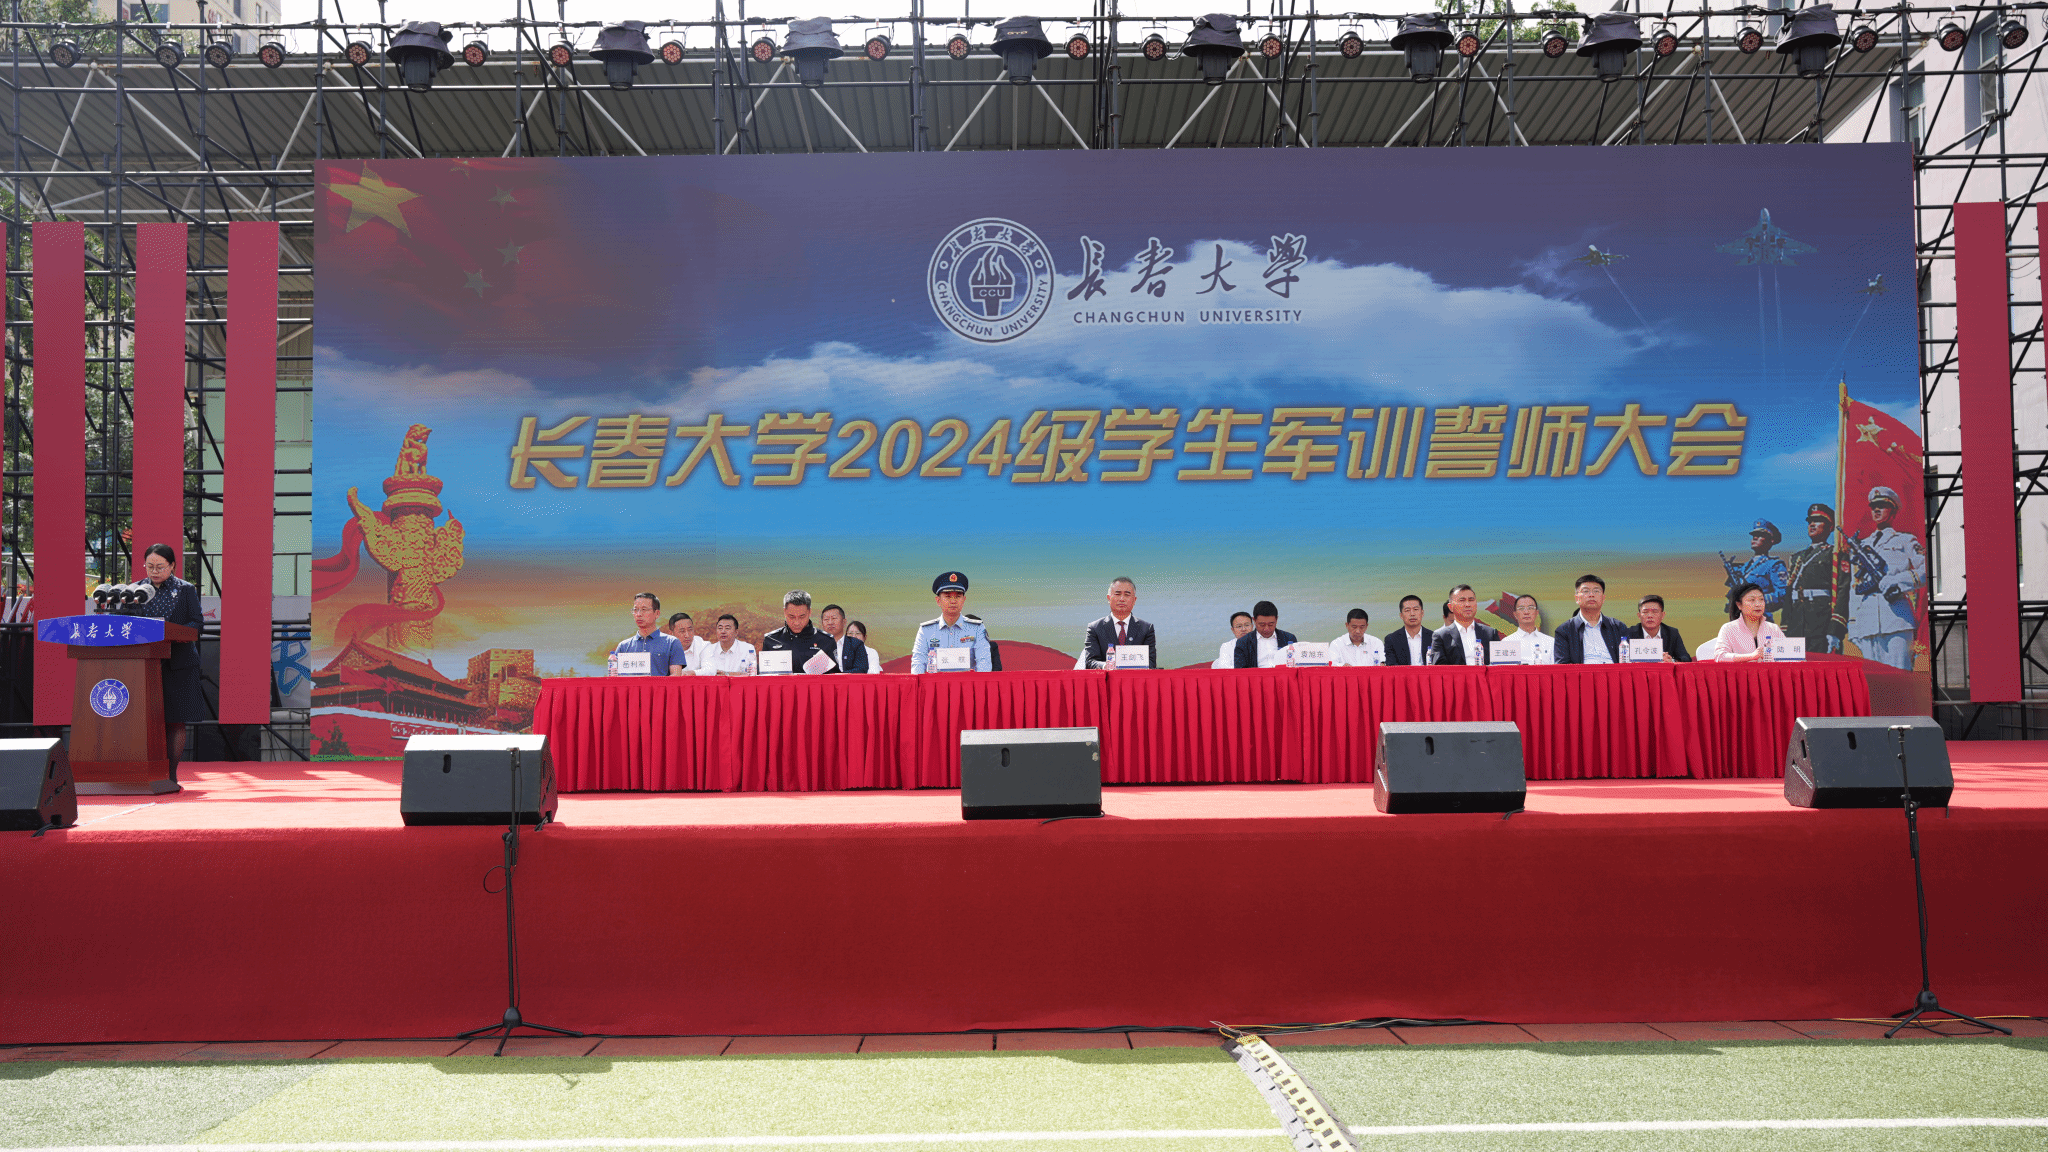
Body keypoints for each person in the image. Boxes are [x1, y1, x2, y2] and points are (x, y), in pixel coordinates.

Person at [132, 543, 204, 773]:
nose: (154, 571)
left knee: (175, 720)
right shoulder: (135, 590)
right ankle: (146, 772)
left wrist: (172, 633)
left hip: (178, 663)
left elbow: (197, 623)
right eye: (149, 566)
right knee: (144, 720)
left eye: (160, 566)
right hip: (143, 663)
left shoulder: (185, 590)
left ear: (172, 565)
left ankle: (170, 773)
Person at [1845, 486, 1927, 670]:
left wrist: (1897, 581)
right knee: (1874, 679)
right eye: (1873, 506)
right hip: (1867, 620)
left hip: (1896, 619)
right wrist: (1853, 624)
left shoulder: (1905, 540)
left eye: (1882, 506)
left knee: (1899, 675)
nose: (1876, 510)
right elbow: (1855, 587)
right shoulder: (1862, 546)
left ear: (1893, 511)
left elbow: (1925, 571)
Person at [1782, 504, 1845, 654]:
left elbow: (1842, 590)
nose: (1812, 524)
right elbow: (1789, 594)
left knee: (1819, 666)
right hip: (1795, 624)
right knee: (1790, 665)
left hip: (1820, 623)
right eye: (1810, 521)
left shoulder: (1835, 554)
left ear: (1830, 527)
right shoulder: (1797, 557)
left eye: (1817, 521)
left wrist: (1836, 629)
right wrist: (1784, 626)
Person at [912, 571, 992, 673]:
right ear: (938, 601)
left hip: (967, 683)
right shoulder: (926, 631)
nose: (953, 601)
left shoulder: (977, 629)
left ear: (964, 600)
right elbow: (918, 664)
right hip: (935, 683)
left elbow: (984, 663)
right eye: (948, 596)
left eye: (958, 596)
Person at [1083, 577, 1159, 669]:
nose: (1122, 599)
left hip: (1135, 678)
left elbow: (1151, 663)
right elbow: (1090, 662)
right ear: (1109, 598)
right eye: (1117, 594)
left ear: (1134, 600)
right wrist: (1106, 666)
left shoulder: (1146, 629)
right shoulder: (1095, 628)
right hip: (1107, 677)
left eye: (1127, 595)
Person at [1553, 574, 1629, 665]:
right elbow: (1562, 666)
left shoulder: (1618, 627)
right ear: (1577, 598)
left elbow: (1629, 660)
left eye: (1596, 591)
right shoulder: (1564, 630)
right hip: (1582, 673)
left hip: (1614, 672)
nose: (1591, 595)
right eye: (1586, 591)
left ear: (1603, 598)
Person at [760, 590, 842, 674]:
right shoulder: (771, 640)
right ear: (784, 612)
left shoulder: (826, 641)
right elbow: (763, 677)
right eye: (791, 617)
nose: (797, 622)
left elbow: (835, 679)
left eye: (802, 616)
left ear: (809, 612)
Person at [1724, 519, 1788, 620]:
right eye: (1754, 535)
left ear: (1770, 540)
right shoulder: (1743, 568)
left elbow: (1782, 595)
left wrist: (1754, 601)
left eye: (1760, 535)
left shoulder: (1774, 565)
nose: (1755, 538)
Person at [613, 592, 689, 676]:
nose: (638, 614)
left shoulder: (672, 643)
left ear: (657, 614)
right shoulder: (623, 646)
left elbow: (676, 676)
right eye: (635, 610)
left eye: (644, 609)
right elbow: (615, 678)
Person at [1429, 585, 1502, 666]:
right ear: (1451, 607)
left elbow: (1499, 666)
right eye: (1462, 600)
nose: (1467, 604)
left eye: (1471, 600)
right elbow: (1439, 669)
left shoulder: (1490, 633)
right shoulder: (1441, 636)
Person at [1715, 582, 1788, 662]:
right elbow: (1720, 656)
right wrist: (1751, 656)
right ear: (1739, 605)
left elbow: (1788, 654)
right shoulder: (1728, 628)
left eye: (1761, 599)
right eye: (1752, 600)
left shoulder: (1773, 628)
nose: (1758, 604)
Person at [1627, 595, 1692, 663]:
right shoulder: (1629, 633)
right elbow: (1621, 658)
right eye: (1645, 612)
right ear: (1639, 615)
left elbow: (1686, 658)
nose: (1650, 616)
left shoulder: (1672, 633)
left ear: (1662, 615)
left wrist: (1671, 660)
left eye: (1655, 612)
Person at [1233, 600, 1298, 668]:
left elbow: (1296, 665)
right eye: (1262, 625)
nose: (1266, 629)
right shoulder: (1243, 643)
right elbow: (1240, 671)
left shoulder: (1289, 639)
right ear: (1254, 620)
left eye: (1270, 624)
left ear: (1276, 619)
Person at [818, 603, 870, 674]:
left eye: (834, 618)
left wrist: (838, 676)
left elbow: (861, 669)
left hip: (849, 681)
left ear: (844, 622)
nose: (830, 622)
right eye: (826, 619)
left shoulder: (856, 644)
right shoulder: (815, 645)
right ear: (822, 624)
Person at [1503, 594, 1554, 664]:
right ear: (1515, 614)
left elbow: (1557, 669)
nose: (1526, 612)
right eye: (1521, 608)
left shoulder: (1551, 642)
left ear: (1537, 613)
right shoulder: (1506, 642)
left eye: (1530, 608)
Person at [1383, 595, 1433, 666]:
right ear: (1401, 615)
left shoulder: (1434, 637)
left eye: (1416, 609)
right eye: (1407, 610)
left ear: (1422, 613)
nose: (1412, 614)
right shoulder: (1391, 640)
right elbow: (1392, 666)